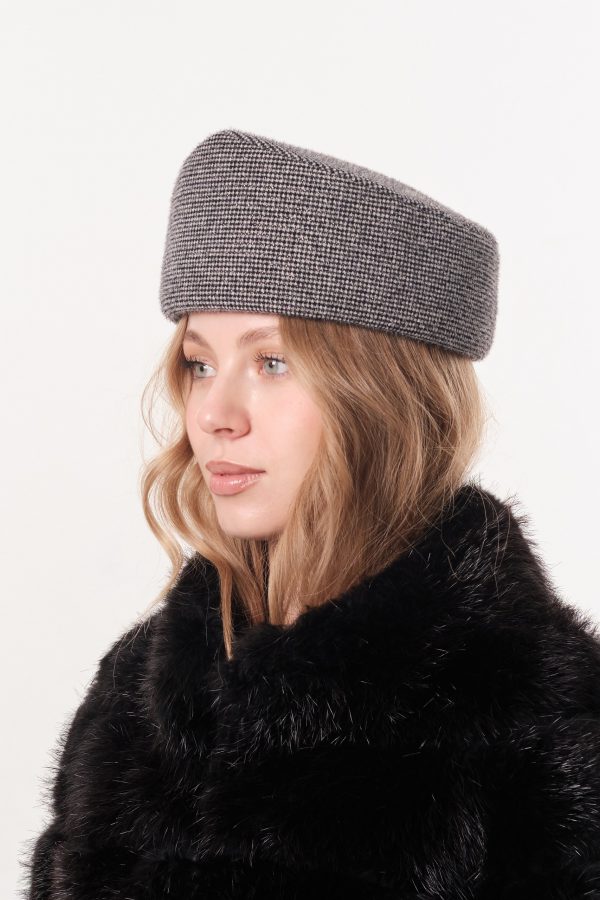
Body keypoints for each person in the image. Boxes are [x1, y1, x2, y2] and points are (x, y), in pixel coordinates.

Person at [21, 129, 600, 898]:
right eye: (200, 363)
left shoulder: (538, 720)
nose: (214, 414)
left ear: (387, 400)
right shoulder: (139, 687)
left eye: (272, 362)